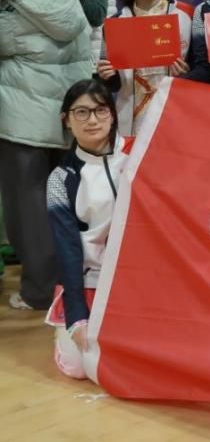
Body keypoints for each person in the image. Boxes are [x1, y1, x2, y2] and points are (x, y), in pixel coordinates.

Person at [0, 0, 92, 311]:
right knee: (60, 207)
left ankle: (38, 292)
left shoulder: (13, 5)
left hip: (22, 123)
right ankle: (64, 285)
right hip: (61, 120)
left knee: (28, 213)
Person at [45, 80, 128, 380]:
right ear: (66, 119)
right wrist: (77, 316)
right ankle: (64, 331)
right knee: (80, 368)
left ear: (113, 115)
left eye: (100, 110)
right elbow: (67, 250)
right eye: (81, 112)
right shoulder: (60, 179)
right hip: (90, 280)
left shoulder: (138, 155)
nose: (92, 120)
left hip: (135, 281)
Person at [96, 0, 191, 135]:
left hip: (177, 115)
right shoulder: (115, 24)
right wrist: (107, 75)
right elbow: (112, 84)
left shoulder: (187, 15)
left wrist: (187, 74)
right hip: (131, 119)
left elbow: (202, 69)